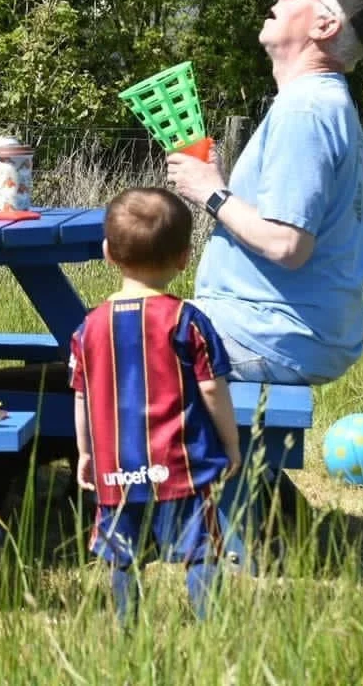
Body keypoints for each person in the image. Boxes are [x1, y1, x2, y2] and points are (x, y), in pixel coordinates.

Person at [167, 0, 363, 386]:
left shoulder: (306, 109)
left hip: (270, 332)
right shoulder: (321, 103)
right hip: (284, 330)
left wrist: (211, 193)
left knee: (106, 348)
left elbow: (289, 244)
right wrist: (222, 187)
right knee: (107, 342)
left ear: (324, 25)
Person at [68, 187, 241, 624]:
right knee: (201, 548)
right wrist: (232, 444)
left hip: (116, 469)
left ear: (107, 253)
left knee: (121, 554)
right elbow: (212, 389)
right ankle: (211, 625)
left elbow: (82, 396)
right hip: (181, 466)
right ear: (184, 257)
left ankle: (127, 626)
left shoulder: (88, 328)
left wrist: (86, 453)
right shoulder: (188, 321)